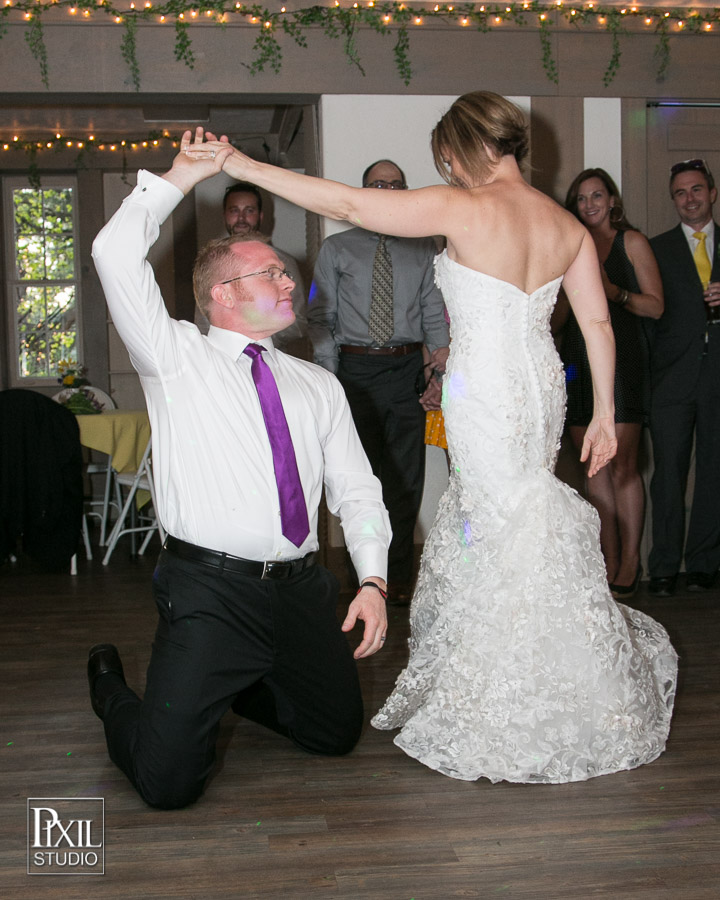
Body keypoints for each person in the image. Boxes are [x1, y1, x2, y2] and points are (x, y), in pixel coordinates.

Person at [188, 91, 677, 785]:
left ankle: (502, 695)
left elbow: (352, 207)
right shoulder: (564, 223)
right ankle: (557, 676)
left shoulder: (465, 205)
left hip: (484, 388)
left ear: (465, 148)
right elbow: (598, 326)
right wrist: (601, 411)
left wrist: (240, 163)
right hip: (539, 385)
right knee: (522, 510)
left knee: (495, 517)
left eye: (445, 157)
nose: (445, 169)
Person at [87, 143, 391, 809]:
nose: (290, 283)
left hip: (303, 590)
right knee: (167, 787)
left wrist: (372, 580)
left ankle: (229, 685)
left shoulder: (318, 386)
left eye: (286, 274)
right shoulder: (175, 357)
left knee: (334, 735)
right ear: (222, 294)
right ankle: (113, 692)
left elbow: (357, 489)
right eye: (271, 274)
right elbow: (113, 254)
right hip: (209, 591)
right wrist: (182, 178)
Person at [309, 160, 450, 605]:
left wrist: (438, 373)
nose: (387, 189)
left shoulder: (424, 248)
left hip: (407, 370)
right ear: (363, 190)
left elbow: (433, 314)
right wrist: (332, 377)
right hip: (354, 373)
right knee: (360, 481)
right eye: (377, 184)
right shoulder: (336, 248)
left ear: (405, 190)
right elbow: (319, 317)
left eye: (395, 183)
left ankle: (401, 582)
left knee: (406, 484)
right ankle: (363, 580)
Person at [558, 168, 663, 598]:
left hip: (624, 362)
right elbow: (562, 322)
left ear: (612, 200)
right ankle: (607, 559)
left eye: (597, 195)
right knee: (592, 466)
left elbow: (656, 307)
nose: (589, 205)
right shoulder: (567, 246)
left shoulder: (630, 243)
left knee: (622, 465)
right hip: (577, 364)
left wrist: (612, 291)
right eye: (581, 198)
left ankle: (631, 561)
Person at [647, 159, 720, 597]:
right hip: (671, 379)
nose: (689, 198)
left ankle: (704, 564)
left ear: (711, 192)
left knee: (714, 470)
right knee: (667, 474)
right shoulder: (655, 249)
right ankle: (663, 566)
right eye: (680, 192)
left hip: (718, 376)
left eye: (696, 190)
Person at [196, 181, 309, 357]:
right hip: (221, 360)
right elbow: (203, 320)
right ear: (225, 215)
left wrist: (255, 336)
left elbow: (299, 322)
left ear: (261, 216)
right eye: (234, 210)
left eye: (249, 211)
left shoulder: (284, 262)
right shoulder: (211, 264)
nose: (241, 218)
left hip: (271, 359)